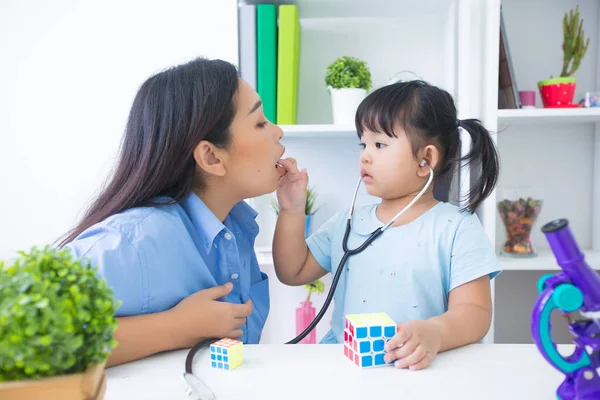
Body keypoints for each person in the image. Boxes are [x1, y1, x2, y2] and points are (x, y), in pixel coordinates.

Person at [59, 57, 287, 367]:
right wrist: (177, 328)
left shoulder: (238, 229)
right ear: (211, 157)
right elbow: (18, 338)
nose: (278, 132)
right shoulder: (134, 241)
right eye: (260, 122)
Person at [273, 80, 501, 371]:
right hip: (346, 367)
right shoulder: (347, 221)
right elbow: (293, 270)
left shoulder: (456, 229)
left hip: (416, 369)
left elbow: (476, 312)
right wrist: (291, 210)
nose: (365, 155)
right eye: (363, 143)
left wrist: (436, 333)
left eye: (380, 144)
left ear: (425, 159)